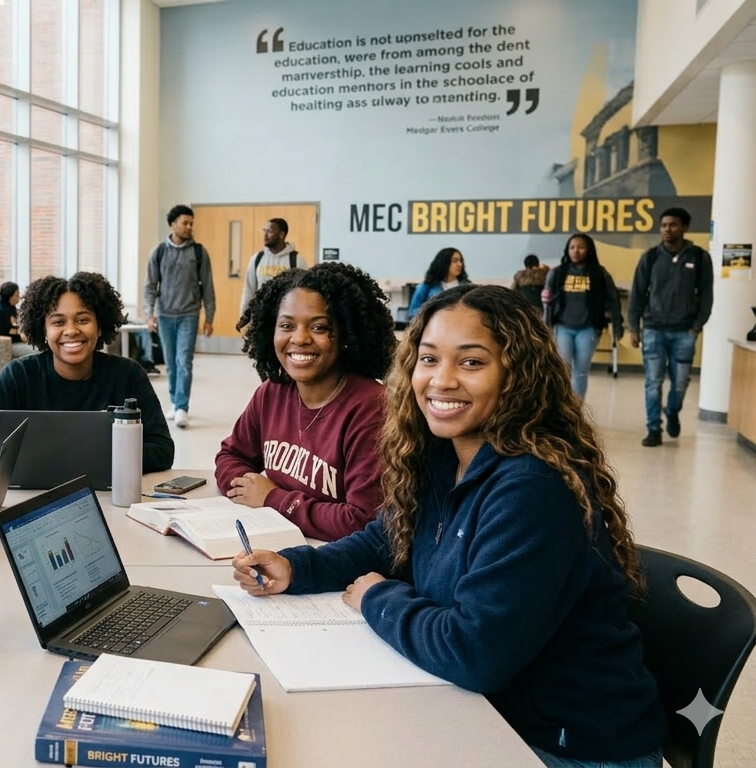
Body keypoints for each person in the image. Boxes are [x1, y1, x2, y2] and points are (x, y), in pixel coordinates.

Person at [233, 285, 665, 768]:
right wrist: (297, 568)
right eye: (429, 359)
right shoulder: (440, 456)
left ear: (517, 375)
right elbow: (383, 540)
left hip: (565, 745)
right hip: (486, 713)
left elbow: (474, 653)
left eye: (471, 362)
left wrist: (379, 597)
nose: (442, 380)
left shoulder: (532, 487)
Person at [217, 263, 394, 541]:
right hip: (280, 544)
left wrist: (274, 499)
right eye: (286, 325)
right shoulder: (271, 393)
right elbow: (231, 456)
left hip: (337, 563)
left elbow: (363, 520)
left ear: (346, 334)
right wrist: (249, 488)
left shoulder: (371, 407)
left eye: (319, 327)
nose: (299, 338)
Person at [0, 271, 174, 471]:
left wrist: (91, 458)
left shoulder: (128, 375)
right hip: (32, 497)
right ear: (44, 330)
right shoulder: (18, 375)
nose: (72, 330)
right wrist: (48, 460)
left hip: (112, 495)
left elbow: (162, 449)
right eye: (58, 322)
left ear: (100, 326)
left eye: (83, 320)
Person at [628, 207, 714, 447]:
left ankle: (673, 411)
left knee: (680, 382)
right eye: (664, 225)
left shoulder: (698, 257)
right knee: (653, 382)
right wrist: (634, 327)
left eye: (673, 225)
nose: (667, 229)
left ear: (684, 228)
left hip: (684, 332)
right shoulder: (651, 257)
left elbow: (707, 295)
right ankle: (653, 429)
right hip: (653, 329)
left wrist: (697, 326)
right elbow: (637, 295)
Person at [144, 204, 216, 429]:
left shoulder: (198, 252)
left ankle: (182, 406)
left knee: (184, 361)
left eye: (191, 223)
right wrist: (149, 313)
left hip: (189, 314)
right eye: (185, 223)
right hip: (165, 315)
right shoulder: (159, 252)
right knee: (171, 364)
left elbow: (208, 287)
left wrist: (209, 317)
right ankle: (175, 402)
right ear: (172, 224)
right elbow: (150, 286)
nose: (188, 227)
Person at [542, 234, 624, 399]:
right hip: (563, 327)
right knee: (563, 369)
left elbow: (613, 300)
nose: (576, 251)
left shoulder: (599, 273)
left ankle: (576, 411)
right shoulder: (557, 273)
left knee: (580, 371)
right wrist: (546, 326)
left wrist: (617, 325)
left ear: (589, 250)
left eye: (580, 247)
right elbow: (548, 301)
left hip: (588, 328)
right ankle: (562, 408)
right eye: (572, 247)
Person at [239, 218, 298, 316]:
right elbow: (248, 290)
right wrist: (243, 316)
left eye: (270, 231)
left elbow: (302, 293)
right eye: (264, 231)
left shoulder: (296, 259)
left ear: (281, 235)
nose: (265, 235)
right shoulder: (257, 258)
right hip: (261, 316)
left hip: (286, 315)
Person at [406, 247, 469, 319]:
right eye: (455, 261)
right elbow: (411, 313)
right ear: (444, 263)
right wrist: (432, 311)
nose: (459, 264)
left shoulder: (467, 287)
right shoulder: (427, 287)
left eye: (461, 261)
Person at [0, 281, 36, 358]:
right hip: (1, 345)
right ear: (10, 297)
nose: (19, 297)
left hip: (12, 341)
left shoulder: (10, 307)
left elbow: (17, 324)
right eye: (16, 295)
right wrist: (19, 338)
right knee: (37, 352)